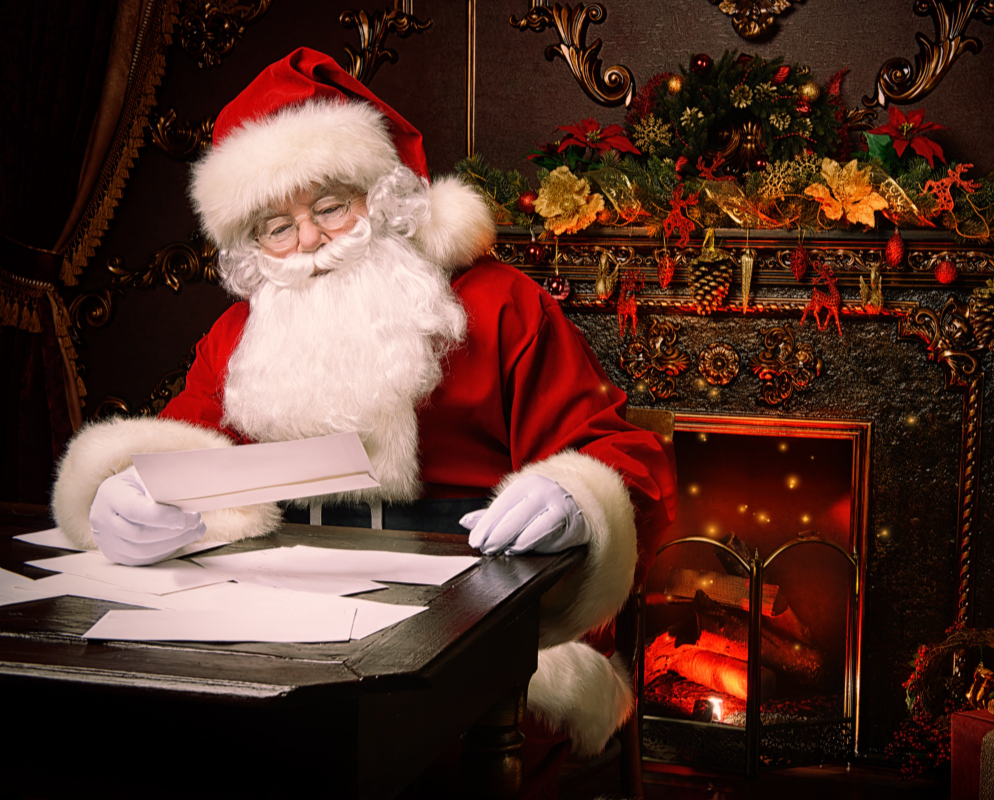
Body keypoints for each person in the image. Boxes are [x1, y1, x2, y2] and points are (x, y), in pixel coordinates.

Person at [50, 48, 676, 795]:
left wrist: (580, 501)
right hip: (280, 634)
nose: (308, 244)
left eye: (329, 208)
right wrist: (122, 494)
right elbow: (180, 455)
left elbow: (619, 454)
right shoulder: (238, 338)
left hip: (480, 651)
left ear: (383, 198)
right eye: (276, 227)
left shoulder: (503, 304)